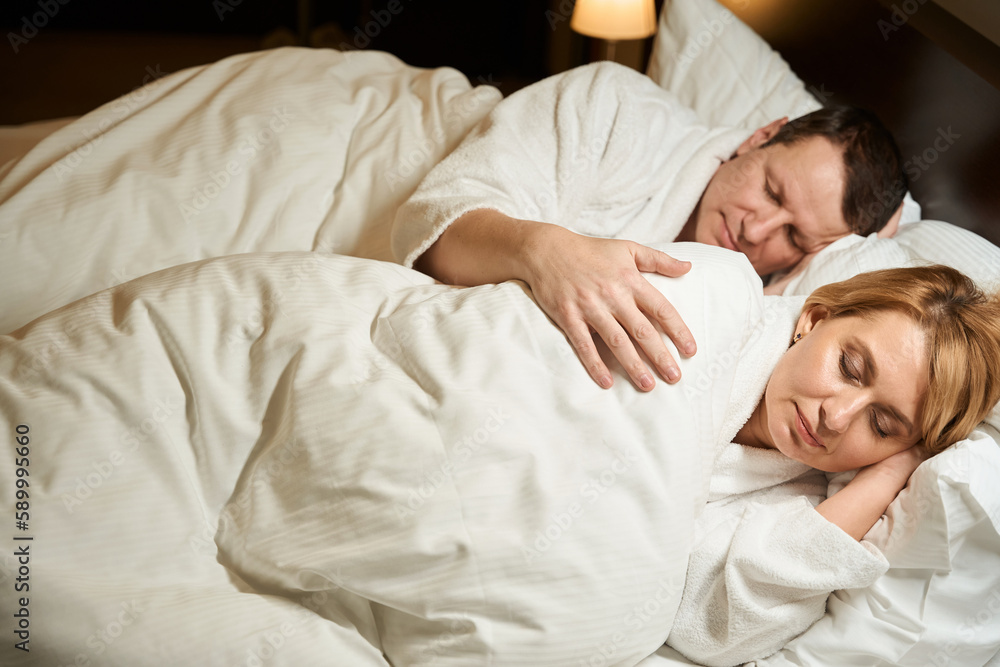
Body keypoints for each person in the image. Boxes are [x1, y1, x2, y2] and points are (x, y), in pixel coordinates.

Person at [391, 61, 907, 394]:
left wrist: (864, 246)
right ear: (761, 137)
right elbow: (434, 220)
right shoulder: (617, 107)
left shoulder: (768, 295)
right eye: (772, 191)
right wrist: (544, 251)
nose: (758, 231)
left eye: (794, 236)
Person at [667, 263, 1000, 666]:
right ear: (816, 317)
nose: (837, 418)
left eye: (881, 425)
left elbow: (710, 630)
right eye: (849, 369)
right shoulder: (707, 310)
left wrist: (891, 473)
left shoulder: (800, 506)